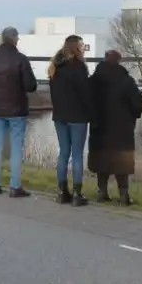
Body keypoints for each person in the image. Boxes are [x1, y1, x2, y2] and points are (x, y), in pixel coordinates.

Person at [0, 26, 38, 198]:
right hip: (17, 110)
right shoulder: (21, 59)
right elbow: (31, 86)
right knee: (16, 149)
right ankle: (15, 186)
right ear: (14, 39)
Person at [87, 50, 142, 206]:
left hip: (99, 128)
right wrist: (133, 116)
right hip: (122, 129)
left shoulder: (93, 81)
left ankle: (102, 192)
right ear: (119, 61)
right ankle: (124, 195)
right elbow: (138, 105)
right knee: (122, 162)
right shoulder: (126, 81)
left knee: (101, 159)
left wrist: (92, 118)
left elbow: (85, 102)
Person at [47, 35, 92, 206]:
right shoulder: (79, 67)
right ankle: (77, 194)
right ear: (75, 47)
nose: (83, 48)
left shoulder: (55, 67)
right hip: (77, 116)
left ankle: (62, 192)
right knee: (78, 155)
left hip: (60, 116)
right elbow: (85, 94)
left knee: (64, 153)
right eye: (81, 45)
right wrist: (91, 114)